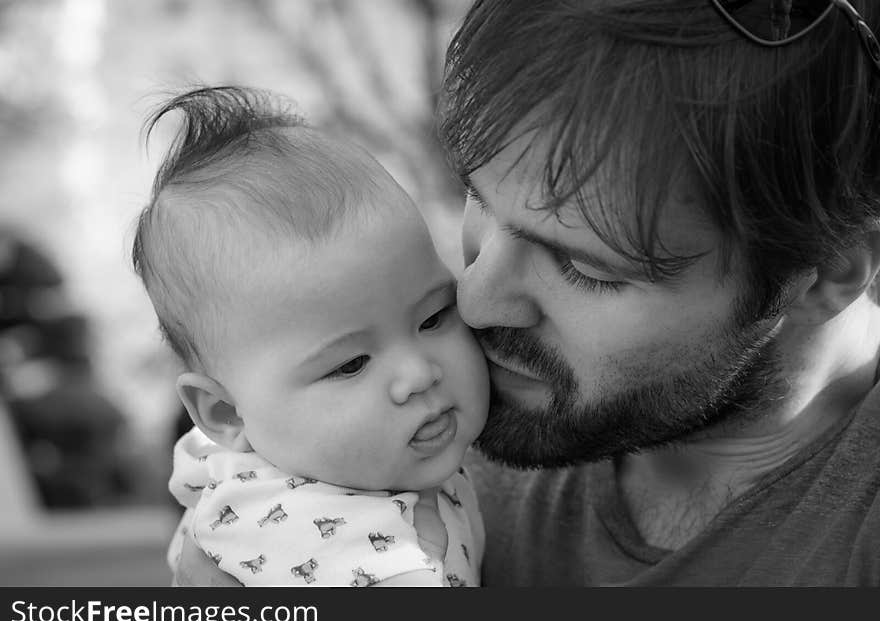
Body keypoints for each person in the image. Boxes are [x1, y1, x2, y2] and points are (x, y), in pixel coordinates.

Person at [177, 0, 880, 586]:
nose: (473, 303)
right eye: (477, 200)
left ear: (830, 273)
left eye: (586, 269)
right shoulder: (420, 424)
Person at [134, 87, 489, 586]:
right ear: (226, 413)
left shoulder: (363, 470)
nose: (419, 374)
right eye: (350, 364)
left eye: (432, 318)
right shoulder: (296, 534)